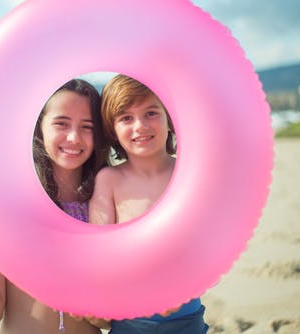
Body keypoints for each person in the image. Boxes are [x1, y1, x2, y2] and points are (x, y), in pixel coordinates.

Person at [0, 79, 108, 333]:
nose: (74, 137)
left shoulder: (104, 204)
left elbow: (110, 315)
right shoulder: (14, 205)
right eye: (61, 123)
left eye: (87, 127)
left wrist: (98, 315)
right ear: (39, 127)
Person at [89, 74, 208, 334]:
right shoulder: (110, 180)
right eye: (126, 118)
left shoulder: (189, 173)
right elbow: (99, 252)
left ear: (169, 118)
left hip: (186, 315)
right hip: (131, 320)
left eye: (151, 113)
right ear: (112, 128)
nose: (140, 126)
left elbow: (210, 242)